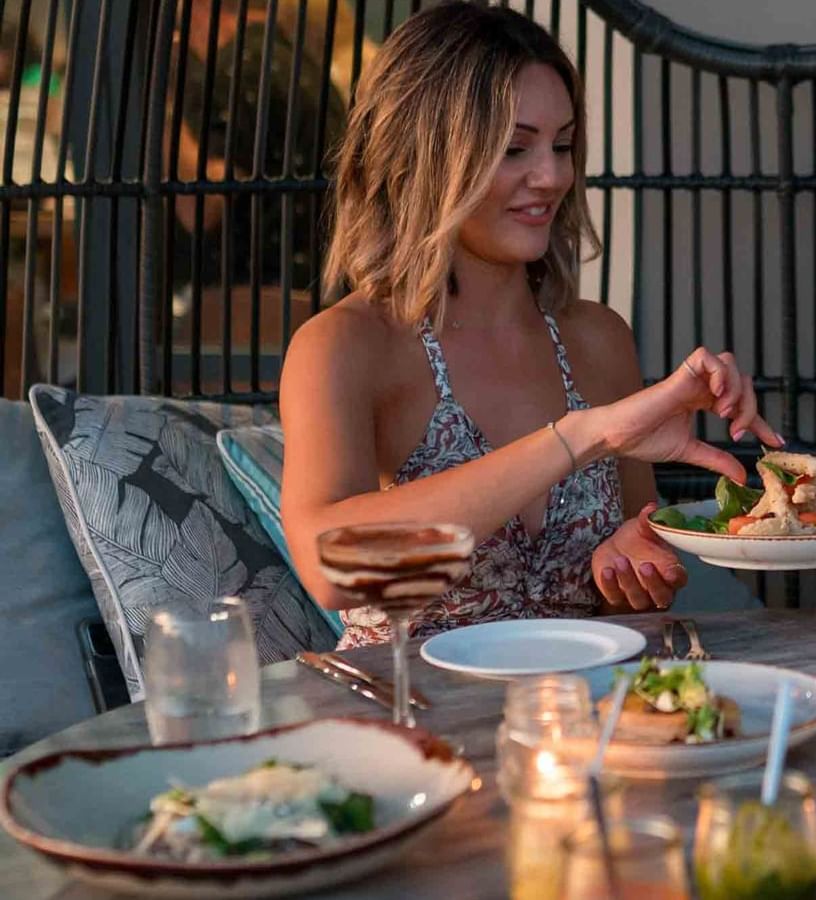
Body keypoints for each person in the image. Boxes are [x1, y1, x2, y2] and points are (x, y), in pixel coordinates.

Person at [278, 4, 779, 649]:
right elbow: (332, 567)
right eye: (515, 148)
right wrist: (580, 437)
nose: (553, 177)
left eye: (562, 145)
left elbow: (634, 566)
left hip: (581, 718)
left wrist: (634, 557)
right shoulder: (346, 345)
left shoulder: (597, 339)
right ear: (422, 156)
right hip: (411, 724)